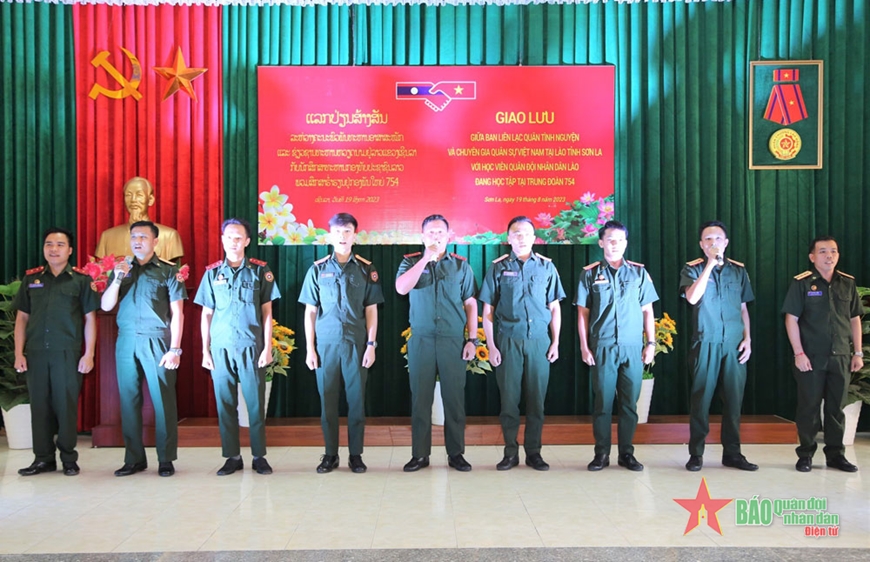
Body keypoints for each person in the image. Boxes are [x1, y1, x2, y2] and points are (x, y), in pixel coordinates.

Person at [299, 213, 384, 474]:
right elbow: (310, 312)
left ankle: (355, 455)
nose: (343, 237)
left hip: (356, 345)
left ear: (355, 236)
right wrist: (310, 348)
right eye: (338, 232)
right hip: (325, 346)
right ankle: (330, 454)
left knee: (357, 402)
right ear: (329, 236)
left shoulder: (366, 269)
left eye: (347, 232)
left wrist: (371, 344)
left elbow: (371, 310)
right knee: (328, 403)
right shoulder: (317, 269)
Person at [194, 218, 280, 476]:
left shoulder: (259, 271)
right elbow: (206, 314)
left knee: (254, 403)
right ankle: (232, 456)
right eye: (229, 236)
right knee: (225, 404)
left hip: (251, 346)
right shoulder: (212, 273)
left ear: (247, 241)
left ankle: (258, 456)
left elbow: (267, 312)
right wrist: (204, 350)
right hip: (220, 347)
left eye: (239, 237)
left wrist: (266, 347)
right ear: (222, 240)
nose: (234, 241)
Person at [479, 216, 565, 471]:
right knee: (509, 400)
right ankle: (510, 453)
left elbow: (555, 308)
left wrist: (556, 342)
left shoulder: (547, 267)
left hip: (539, 341)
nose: (521, 237)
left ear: (534, 237)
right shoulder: (497, 267)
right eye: (516, 233)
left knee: (537, 401)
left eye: (526, 233)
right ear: (509, 238)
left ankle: (534, 453)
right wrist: (492, 346)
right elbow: (488, 309)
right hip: (508, 341)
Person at [100, 221, 186, 477]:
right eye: (134, 236)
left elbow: (178, 312)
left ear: (155, 241)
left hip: (157, 340)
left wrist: (175, 349)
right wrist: (116, 279)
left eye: (143, 237)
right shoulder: (120, 269)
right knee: (128, 401)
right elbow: (105, 306)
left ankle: (166, 458)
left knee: (163, 401)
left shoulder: (169, 271)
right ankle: (134, 458)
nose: (137, 241)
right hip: (126, 340)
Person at [12, 228, 98, 477]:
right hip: (37, 352)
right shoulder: (32, 280)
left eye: (60, 245)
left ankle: (69, 458)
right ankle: (43, 459)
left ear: (70, 250)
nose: (53, 249)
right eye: (49, 244)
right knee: (39, 406)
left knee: (65, 405)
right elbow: (21, 319)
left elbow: (90, 319)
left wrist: (88, 353)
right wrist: (19, 353)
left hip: (67, 353)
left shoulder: (81, 281)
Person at [396, 215, 478, 472]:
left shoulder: (460, 266)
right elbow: (401, 288)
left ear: (449, 235)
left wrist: (472, 339)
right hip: (421, 340)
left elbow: (470, 303)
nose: (436, 236)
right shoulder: (410, 261)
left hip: (452, 340)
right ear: (422, 237)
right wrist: (424, 260)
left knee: (454, 399)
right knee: (420, 400)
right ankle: (420, 455)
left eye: (440, 232)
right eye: (430, 232)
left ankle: (456, 454)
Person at [575, 221, 658, 472]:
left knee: (629, 404)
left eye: (620, 239)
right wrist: (584, 346)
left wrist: (650, 343)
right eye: (610, 239)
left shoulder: (639, 273)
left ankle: (627, 454)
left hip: (632, 347)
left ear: (626, 243)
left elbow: (647, 310)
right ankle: (601, 454)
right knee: (602, 403)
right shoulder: (589, 273)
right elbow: (582, 313)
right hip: (602, 346)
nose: (615, 244)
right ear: (601, 242)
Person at [680, 220, 756, 472]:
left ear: (726, 242)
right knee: (701, 399)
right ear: (702, 245)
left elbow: (744, 307)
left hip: (734, 344)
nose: (714, 243)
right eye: (708, 240)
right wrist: (710, 265)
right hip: (706, 341)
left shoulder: (738, 270)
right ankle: (696, 453)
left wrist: (747, 338)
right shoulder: (692, 269)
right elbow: (691, 298)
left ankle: (732, 453)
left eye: (718, 239)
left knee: (734, 400)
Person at [782, 236, 863, 473]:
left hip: (841, 356)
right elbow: (791, 319)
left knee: (836, 409)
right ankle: (805, 454)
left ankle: (836, 455)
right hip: (811, 358)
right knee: (808, 407)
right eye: (823, 251)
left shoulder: (847, 283)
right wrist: (799, 353)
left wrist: (857, 352)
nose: (829, 256)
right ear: (812, 257)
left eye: (833, 251)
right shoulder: (802, 283)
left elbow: (855, 319)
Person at [95, 176, 184, 262]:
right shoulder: (107, 237)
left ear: (150, 200)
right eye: (128, 195)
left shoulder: (169, 236)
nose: (133, 200)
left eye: (139, 195)